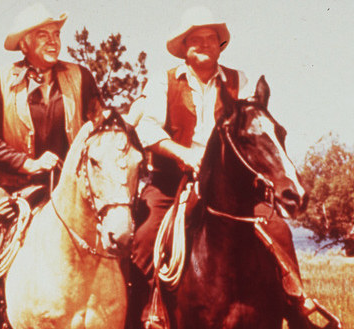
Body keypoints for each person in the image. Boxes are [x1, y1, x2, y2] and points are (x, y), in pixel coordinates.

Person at [124, 6, 316, 329]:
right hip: (172, 181)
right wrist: (183, 154)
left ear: (220, 44)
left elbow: (254, 127)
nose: (204, 44)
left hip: (230, 185)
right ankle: (143, 313)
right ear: (185, 47)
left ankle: (296, 307)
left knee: (279, 229)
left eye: (211, 38)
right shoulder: (164, 81)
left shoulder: (237, 80)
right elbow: (147, 129)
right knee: (144, 238)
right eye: (195, 39)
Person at [0, 3, 103, 328]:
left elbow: (99, 122)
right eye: (43, 35)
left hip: (69, 189)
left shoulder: (80, 77)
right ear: (24, 44)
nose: (53, 41)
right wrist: (29, 163)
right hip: (10, 188)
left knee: (117, 234)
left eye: (56, 34)